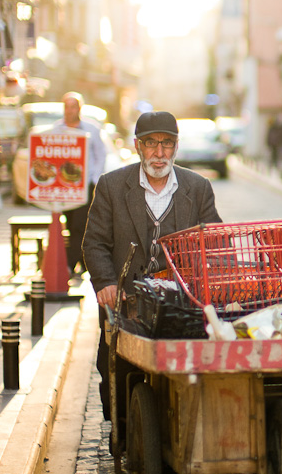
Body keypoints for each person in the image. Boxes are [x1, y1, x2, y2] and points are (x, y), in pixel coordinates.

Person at [82, 110, 223, 429]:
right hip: (127, 301)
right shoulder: (111, 186)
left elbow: (212, 242)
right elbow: (94, 243)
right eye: (151, 144)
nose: (159, 153)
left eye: (167, 144)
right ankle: (125, 428)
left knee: (192, 368)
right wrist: (105, 282)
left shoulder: (198, 187)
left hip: (181, 303)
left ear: (176, 147)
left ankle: (183, 430)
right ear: (137, 146)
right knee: (115, 369)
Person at [53, 92, 107, 276]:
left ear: (79, 108)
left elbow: (101, 153)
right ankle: (83, 262)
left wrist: (94, 178)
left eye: (73, 106)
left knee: (80, 224)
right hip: (63, 186)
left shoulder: (92, 129)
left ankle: (69, 265)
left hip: (85, 185)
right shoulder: (56, 128)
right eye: (66, 107)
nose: (70, 110)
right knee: (68, 224)